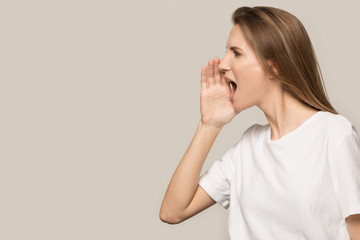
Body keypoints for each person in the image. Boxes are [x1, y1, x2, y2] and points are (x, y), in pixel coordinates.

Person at [159, 6, 360, 240]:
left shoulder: (333, 134)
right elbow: (172, 212)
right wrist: (209, 126)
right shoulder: (247, 147)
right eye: (226, 52)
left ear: (274, 66)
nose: (223, 64)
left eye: (236, 53)